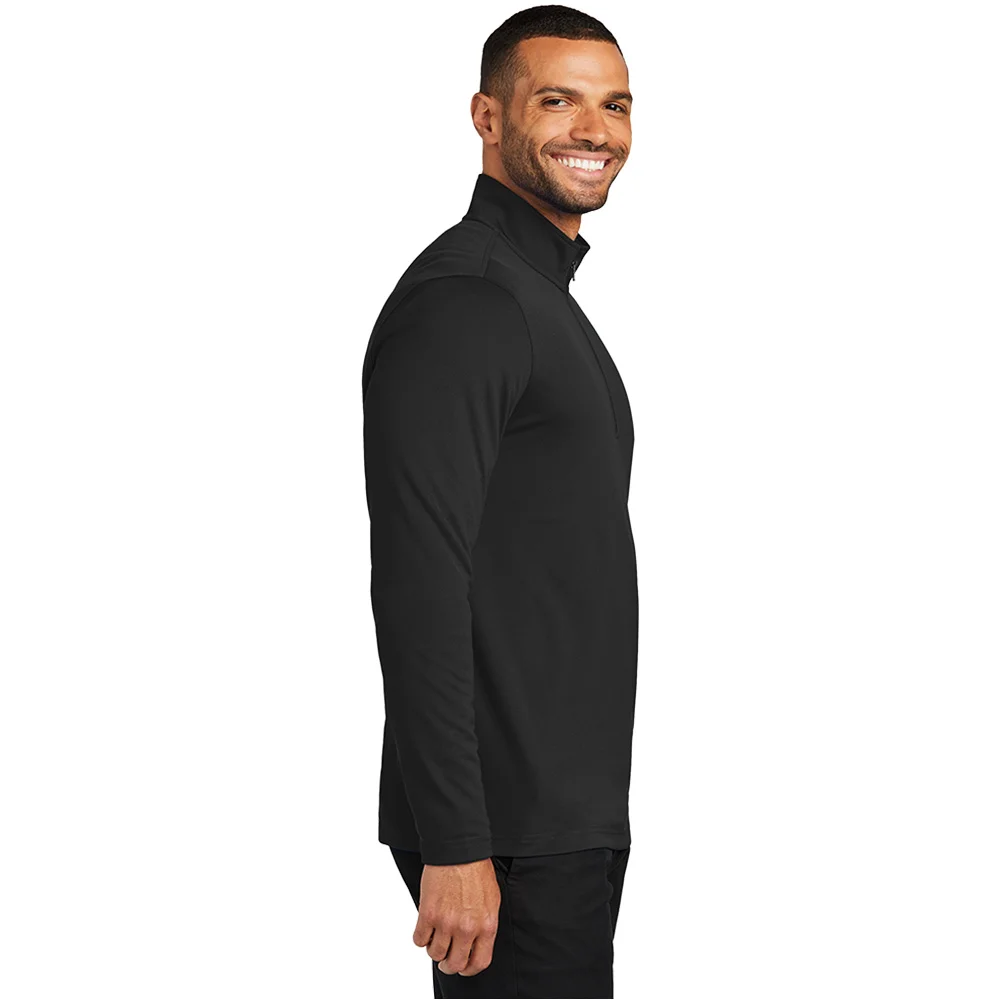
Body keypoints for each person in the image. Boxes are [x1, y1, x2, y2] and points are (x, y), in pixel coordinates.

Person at [361, 6, 637, 996]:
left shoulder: (534, 297)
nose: (593, 130)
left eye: (615, 106)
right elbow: (418, 578)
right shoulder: (470, 300)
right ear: (487, 117)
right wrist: (456, 841)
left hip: (555, 816)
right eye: (557, 100)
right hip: (508, 831)